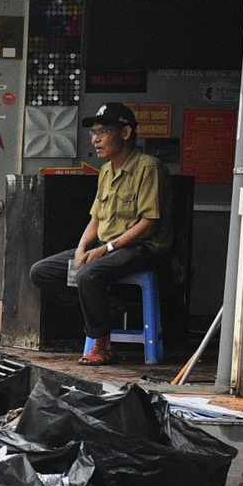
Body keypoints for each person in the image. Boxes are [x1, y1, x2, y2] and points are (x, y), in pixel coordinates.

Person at [27, 104, 167, 364]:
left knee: (88, 275)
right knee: (42, 272)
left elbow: (149, 224)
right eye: (93, 133)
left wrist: (106, 249)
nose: (95, 139)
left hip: (142, 248)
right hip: (107, 247)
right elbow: (96, 218)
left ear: (125, 133)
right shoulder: (105, 171)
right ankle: (108, 303)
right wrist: (82, 249)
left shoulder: (148, 168)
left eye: (103, 131)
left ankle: (102, 346)